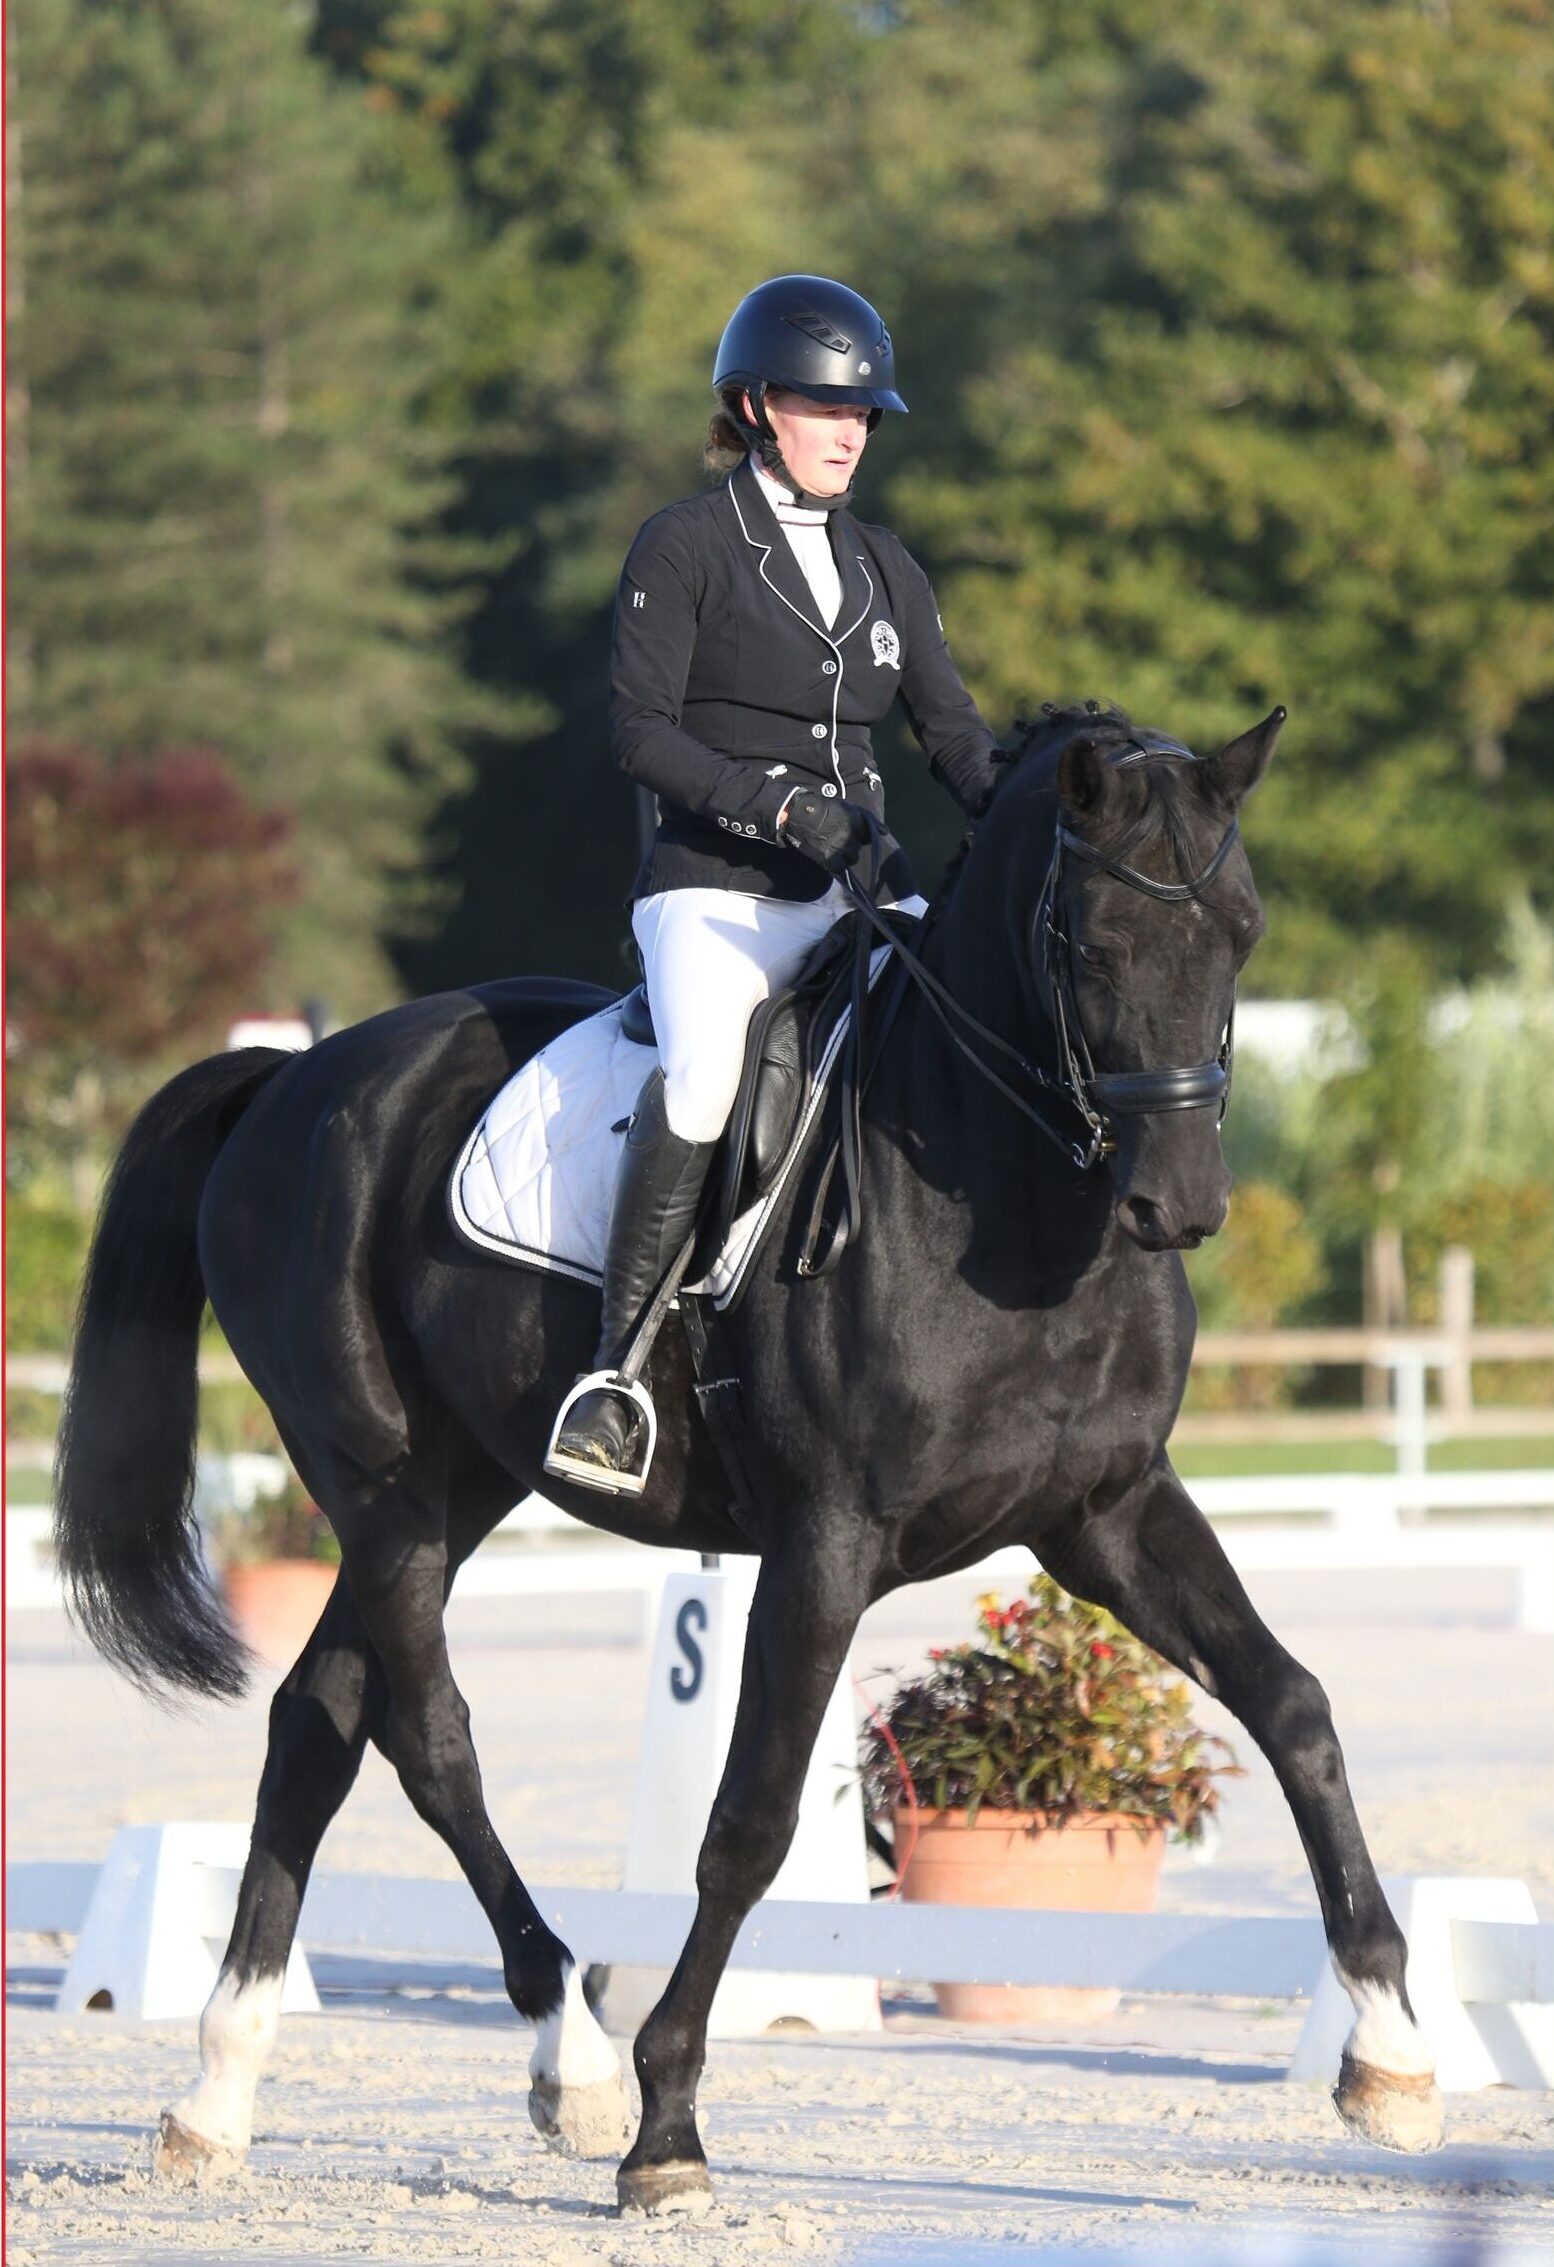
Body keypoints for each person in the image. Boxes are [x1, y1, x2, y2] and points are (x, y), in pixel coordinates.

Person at [544, 273, 1003, 1495]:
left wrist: (1052, 806)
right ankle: (618, 1370)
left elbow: (953, 737)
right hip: (715, 892)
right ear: (754, 406)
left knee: (971, 1033)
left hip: (857, 892)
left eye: (864, 413)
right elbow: (640, 731)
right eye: (822, 406)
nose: (851, 431)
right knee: (700, 1078)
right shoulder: (686, 544)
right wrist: (775, 803)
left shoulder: (891, 568)